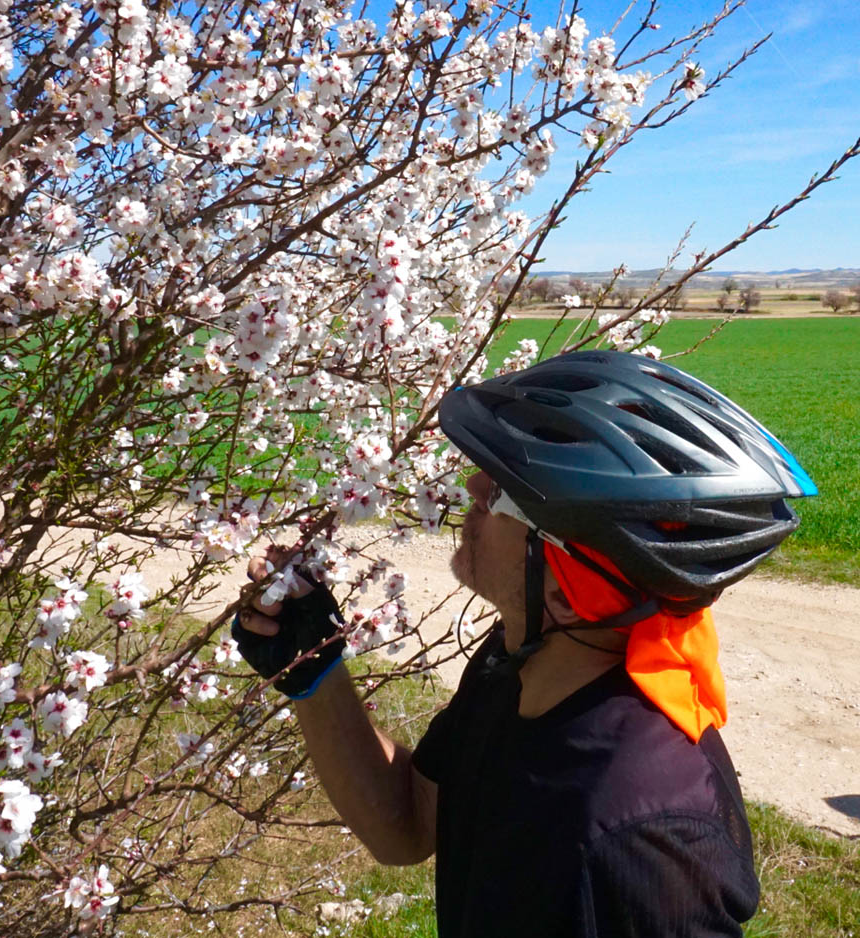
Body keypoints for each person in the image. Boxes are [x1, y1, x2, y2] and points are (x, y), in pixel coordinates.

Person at [232, 350, 816, 937]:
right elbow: (405, 825)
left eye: (505, 492)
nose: (473, 486)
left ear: (570, 591)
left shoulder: (640, 836)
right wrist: (316, 670)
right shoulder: (514, 664)